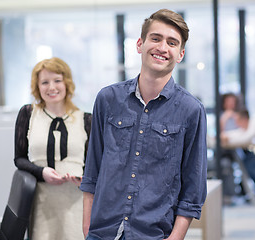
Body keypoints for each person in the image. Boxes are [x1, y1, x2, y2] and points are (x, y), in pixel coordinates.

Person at [80, 9, 208, 240]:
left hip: (154, 234)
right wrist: (88, 225)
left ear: (180, 54)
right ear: (140, 44)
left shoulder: (191, 110)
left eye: (172, 42)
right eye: (156, 38)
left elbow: (193, 187)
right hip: (102, 232)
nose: (162, 48)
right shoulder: (107, 99)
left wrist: (175, 237)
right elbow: (93, 168)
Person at [14, 57, 92, 240]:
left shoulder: (86, 119)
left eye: (57, 80)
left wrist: (85, 178)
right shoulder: (28, 113)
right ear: (37, 86)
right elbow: (19, 158)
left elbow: (94, 164)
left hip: (76, 202)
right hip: (42, 201)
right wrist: (42, 172)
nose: (52, 87)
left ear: (67, 83)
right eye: (45, 82)